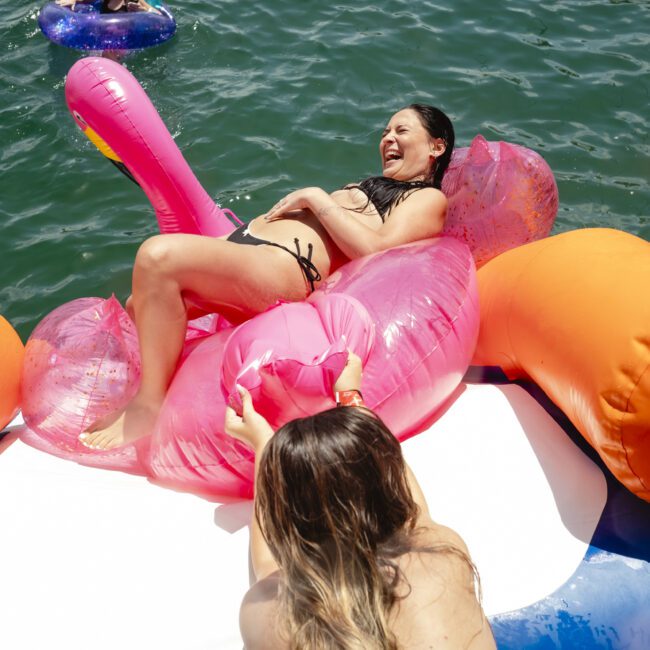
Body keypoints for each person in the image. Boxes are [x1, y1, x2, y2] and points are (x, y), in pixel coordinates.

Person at [79, 104, 454, 451]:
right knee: (137, 304)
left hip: (284, 267)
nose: (387, 138)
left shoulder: (426, 198)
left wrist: (314, 197)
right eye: (385, 131)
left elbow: (376, 250)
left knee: (156, 256)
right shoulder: (378, 186)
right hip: (252, 248)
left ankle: (150, 404)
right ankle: (161, 386)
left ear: (436, 147)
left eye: (401, 131)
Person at [224, 353, 496, 649]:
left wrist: (264, 447)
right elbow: (415, 515)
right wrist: (351, 398)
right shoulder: (444, 558)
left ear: (285, 520)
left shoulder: (269, 617)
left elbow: (267, 570)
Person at [55, 0, 160, 14]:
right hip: (105, 33)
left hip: (128, 34)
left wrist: (144, 10)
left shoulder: (134, 1)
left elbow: (159, 15)